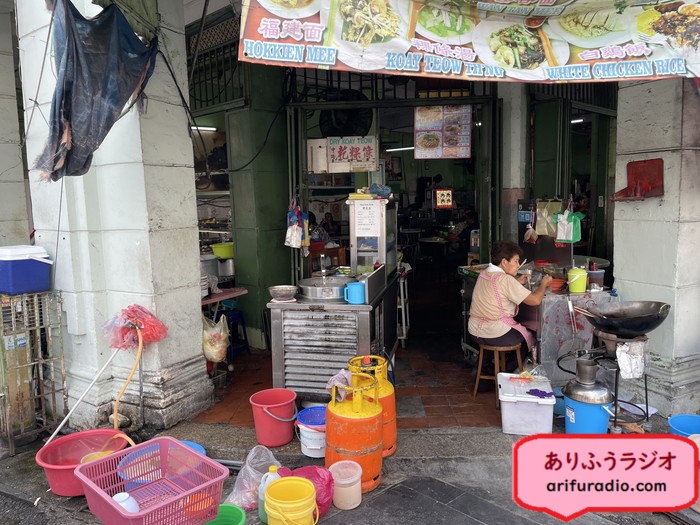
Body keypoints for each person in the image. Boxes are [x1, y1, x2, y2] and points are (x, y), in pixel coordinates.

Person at [468, 240, 552, 387]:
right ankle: (504, 374)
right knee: (527, 339)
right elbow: (535, 300)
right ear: (504, 262)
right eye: (516, 261)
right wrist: (544, 285)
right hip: (494, 332)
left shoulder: (484, 273)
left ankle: (484, 372)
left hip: (475, 330)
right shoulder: (506, 280)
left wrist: (516, 282)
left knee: (494, 338)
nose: (518, 265)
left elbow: (497, 290)